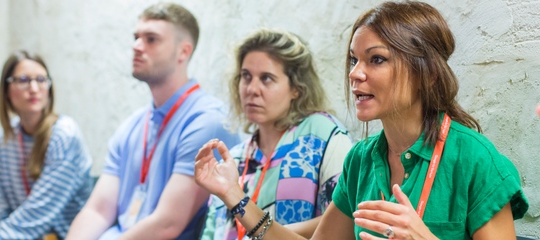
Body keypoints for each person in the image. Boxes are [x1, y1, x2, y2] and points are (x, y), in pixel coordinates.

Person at [195, 1, 529, 240]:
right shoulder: (361, 159)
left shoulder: (474, 160)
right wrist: (235, 197)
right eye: (354, 60)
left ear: (427, 73)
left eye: (376, 59)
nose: (355, 74)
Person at [66, 3, 240, 240]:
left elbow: (167, 224)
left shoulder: (208, 121)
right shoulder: (132, 126)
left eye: (151, 39)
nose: (137, 46)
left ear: (183, 52)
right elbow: (97, 211)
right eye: (136, 37)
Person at [200, 29, 353, 240]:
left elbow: (345, 219)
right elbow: (211, 233)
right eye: (246, 77)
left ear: (296, 88)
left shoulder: (323, 134)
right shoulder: (234, 157)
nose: (252, 89)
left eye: (266, 78)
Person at [0, 50, 93, 239]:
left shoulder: (64, 135)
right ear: (6, 90)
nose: (34, 88)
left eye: (41, 80)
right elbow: (1, 212)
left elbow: (38, 215)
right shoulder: (6, 139)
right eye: (23, 80)